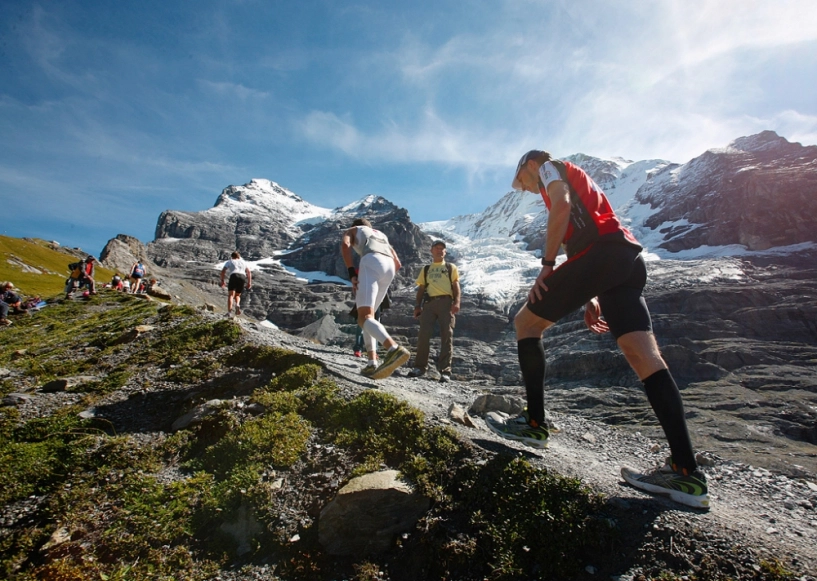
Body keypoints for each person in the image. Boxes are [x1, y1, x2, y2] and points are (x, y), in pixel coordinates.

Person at [485, 149, 709, 510]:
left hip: (602, 254)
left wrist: (547, 266)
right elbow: (581, 225)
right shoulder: (573, 177)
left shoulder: (547, 167)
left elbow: (561, 207)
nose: (526, 189)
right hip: (626, 258)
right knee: (645, 357)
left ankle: (534, 423)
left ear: (529, 165)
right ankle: (686, 471)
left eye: (522, 182)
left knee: (526, 323)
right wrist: (590, 294)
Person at [340, 218, 410, 379]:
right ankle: (372, 363)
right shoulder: (381, 235)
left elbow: (345, 246)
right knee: (369, 319)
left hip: (371, 260)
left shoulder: (352, 230)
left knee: (363, 317)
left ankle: (393, 349)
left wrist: (352, 273)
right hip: (389, 268)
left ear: (356, 226)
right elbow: (398, 263)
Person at [408, 240, 461, 382]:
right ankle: (419, 367)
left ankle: (445, 371)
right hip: (429, 303)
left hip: (446, 303)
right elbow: (421, 289)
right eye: (437, 248)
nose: (440, 250)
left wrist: (456, 302)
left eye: (442, 249)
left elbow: (456, 286)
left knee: (447, 335)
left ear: (445, 252)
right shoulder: (426, 269)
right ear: (431, 250)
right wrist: (417, 306)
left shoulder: (450, 267)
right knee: (423, 335)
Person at [220, 251, 252, 316]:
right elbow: (248, 272)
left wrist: (222, 280)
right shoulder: (243, 262)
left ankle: (229, 312)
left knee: (231, 295)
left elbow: (223, 271)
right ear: (238, 256)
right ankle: (237, 304)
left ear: (232, 256)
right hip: (242, 277)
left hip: (234, 275)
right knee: (237, 295)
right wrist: (249, 282)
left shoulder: (230, 261)